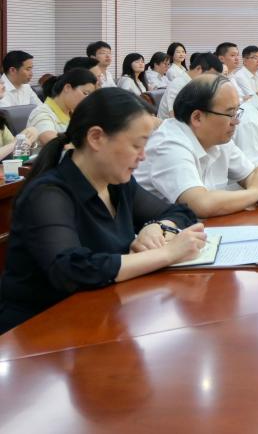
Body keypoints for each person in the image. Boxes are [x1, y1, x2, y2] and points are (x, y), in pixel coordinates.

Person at [0, 88, 207, 333]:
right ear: (96, 137)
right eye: (136, 145)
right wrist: (167, 253)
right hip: (38, 333)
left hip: (100, 316)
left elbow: (180, 212)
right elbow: (71, 269)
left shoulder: (117, 183)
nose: (143, 156)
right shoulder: (47, 195)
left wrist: (155, 227)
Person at [134, 74, 258, 217]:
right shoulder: (169, 144)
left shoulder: (218, 137)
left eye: (237, 112)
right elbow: (200, 205)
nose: (236, 121)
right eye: (230, 114)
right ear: (197, 117)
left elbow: (252, 175)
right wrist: (256, 192)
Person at [28, 69, 98, 146]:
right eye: (85, 93)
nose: (88, 99)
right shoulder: (42, 112)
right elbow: (52, 141)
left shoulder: (75, 113)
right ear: (67, 88)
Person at [158, 52, 223, 120]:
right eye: (211, 76)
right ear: (198, 69)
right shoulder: (178, 84)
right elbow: (175, 118)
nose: (212, 81)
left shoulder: (196, 84)